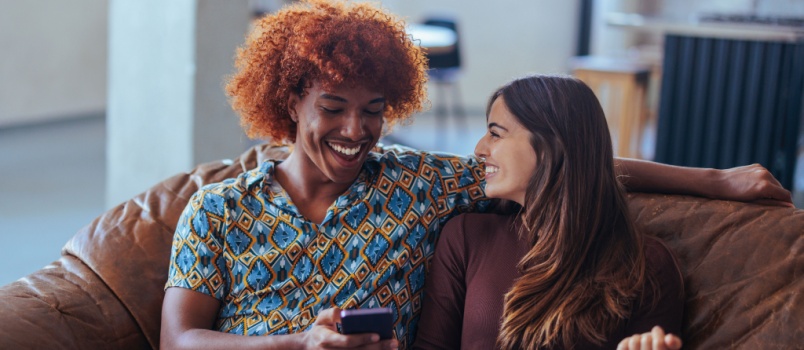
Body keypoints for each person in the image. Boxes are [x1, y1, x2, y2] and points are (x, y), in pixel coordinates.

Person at [159, 1, 793, 349]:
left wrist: (717, 181)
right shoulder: (217, 211)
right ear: (288, 101)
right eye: (332, 108)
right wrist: (297, 345)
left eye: (374, 111)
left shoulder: (416, 183)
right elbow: (179, 341)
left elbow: (564, 163)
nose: (355, 131)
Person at [414, 75, 686, 350]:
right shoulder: (466, 238)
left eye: (495, 134)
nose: (479, 149)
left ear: (550, 146)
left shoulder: (646, 265)